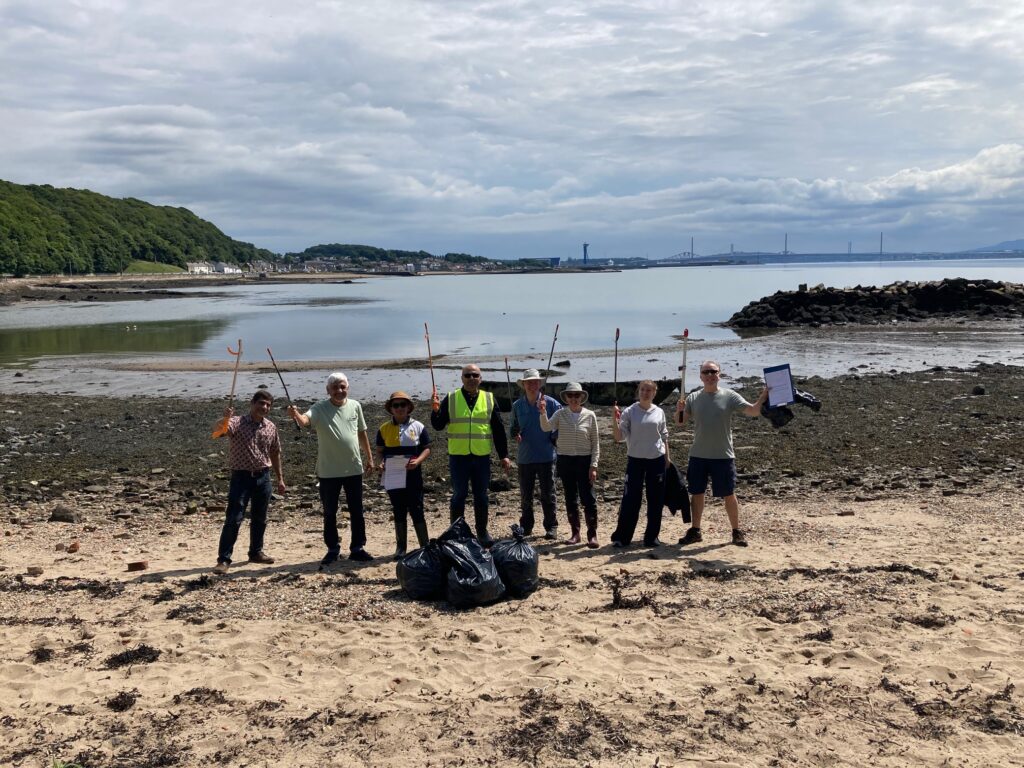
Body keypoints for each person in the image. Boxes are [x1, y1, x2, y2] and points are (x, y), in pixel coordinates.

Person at [675, 360, 768, 547]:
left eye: (713, 371)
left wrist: (764, 395)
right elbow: (680, 422)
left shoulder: (729, 396)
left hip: (723, 455)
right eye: (706, 372)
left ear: (719, 374)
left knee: (729, 493)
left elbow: (753, 411)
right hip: (698, 454)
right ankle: (695, 530)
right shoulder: (693, 398)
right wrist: (679, 410)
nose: (710, 375)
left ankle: (736, 531)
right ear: (700, 376)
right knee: (697, 493)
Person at [288, 372, 375, 565]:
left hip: (353, 468)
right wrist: (295, 414)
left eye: (342, 386)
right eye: (335, 387)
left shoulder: (355, 406)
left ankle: (357, 548)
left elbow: (362, 433)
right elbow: (305, 421)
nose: (339, 390)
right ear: (328, 390)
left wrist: (369, 458)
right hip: (328, 471)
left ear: (348, 388)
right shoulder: (319, 408)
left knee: (357, 510)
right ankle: (332, 549)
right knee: (329, 511)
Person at [430, 363, 512, 547]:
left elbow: (498, 430)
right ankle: (456, 533)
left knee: (481, 496)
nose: (471, 378)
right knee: (459, 495)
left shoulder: (489, 399)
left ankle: (482, 532)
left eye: (475, 375)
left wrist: (504, 455)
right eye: (467, 375)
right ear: (462, 378)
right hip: (458, 456)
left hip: (481, 456)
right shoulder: (450, 398)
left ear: (480, 378)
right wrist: (434, 410)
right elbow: (437, 425)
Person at [212, 390, 286, 575]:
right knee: (234, 519)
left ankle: (256, 552)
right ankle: (223, 559)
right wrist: (224, 418)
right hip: (241, 477)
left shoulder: (270, 427)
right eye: (261, 403)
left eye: (268, 405)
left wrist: (280, 479)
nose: (264, 407)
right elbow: (219, 432)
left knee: (260, 519)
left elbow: (275, 453)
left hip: (264, 477)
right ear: (252, 403)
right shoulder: (237, 422)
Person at [538, 382, 600, 547]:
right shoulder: (560, 414)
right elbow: (546, 427)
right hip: (565, 460)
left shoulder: (590, 415)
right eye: (570, 395)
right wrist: (543, 412)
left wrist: (594, 466)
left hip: (584, 460)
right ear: (565, 397)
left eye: (576, 395)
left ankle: (592, 535)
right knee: (570, 498)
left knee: (589, 499)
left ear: (582, 397)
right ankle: (575, 533)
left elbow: (595, 443)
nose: (573, 398)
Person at [610, 380, 670, 548]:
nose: (646, 393)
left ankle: (652, 537)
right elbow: (619, 437)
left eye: (649, 390)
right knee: (630, 499)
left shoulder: (659, 412)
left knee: (655, 500)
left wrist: (667, 459)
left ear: (654, 393)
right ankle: (622, 537)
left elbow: (664, 436)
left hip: (656, 460)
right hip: (635, 460)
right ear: (638, 391)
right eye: (643, 390)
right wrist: (614, 419)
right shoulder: (630, 411)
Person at [375, 391, 432, 559]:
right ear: (391, 408)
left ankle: (425, 546)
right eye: (396, 405)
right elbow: (379, 451)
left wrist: (418, 461)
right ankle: (401, 548)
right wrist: (380, 462)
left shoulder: (419, 426)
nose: (400, 408)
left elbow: (427, 448)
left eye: (403, 405)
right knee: (398, 509)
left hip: (413, 476)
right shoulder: (383, 429)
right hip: (393, 476)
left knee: (417, 509)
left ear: (409, 407)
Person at [510, 368, 561, 538]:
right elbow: (512, 429)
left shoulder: (552, 404)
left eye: (535, 382)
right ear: (523, 385)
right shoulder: (517, 406)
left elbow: (559, 428)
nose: (532, 385)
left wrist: (554, 438)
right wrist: (515, 434)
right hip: (525, 458)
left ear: (539, 384)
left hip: (546, 456)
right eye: (529, 382)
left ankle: (551, 526)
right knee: (526, 495)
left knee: (548, 493)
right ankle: (526, 526)